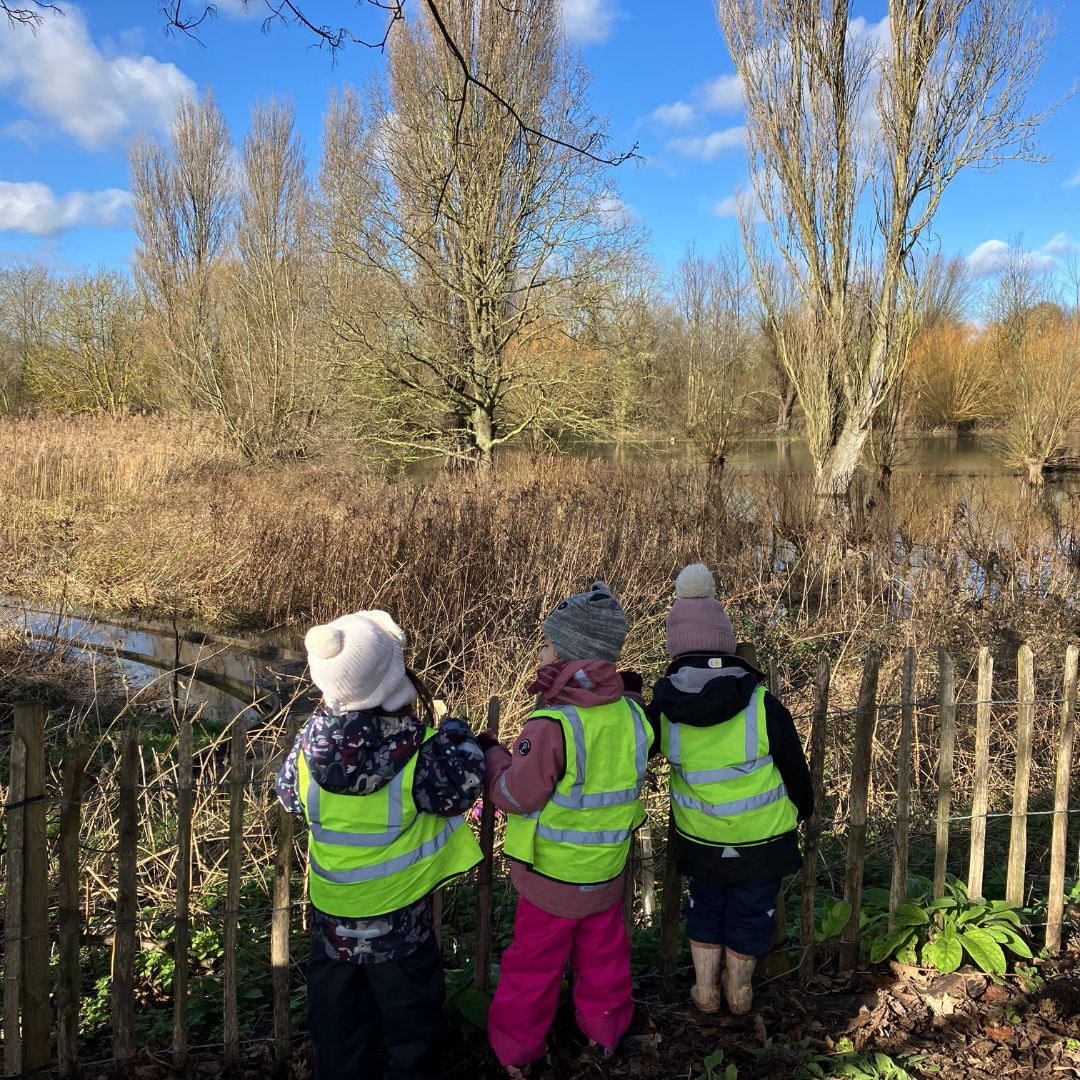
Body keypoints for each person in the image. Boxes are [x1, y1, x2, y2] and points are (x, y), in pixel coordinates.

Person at [276, 610, 484, 1080]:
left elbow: (288, 795)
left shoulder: (307, 747)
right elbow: (465, 786)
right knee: (413, 1030)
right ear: (393, 681)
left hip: (332, 920)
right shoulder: (423, 750)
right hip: (400, 922)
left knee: (338, 1031)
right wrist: (458, 733)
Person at [481, 581, 649, 1078]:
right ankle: (606, 1036)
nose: (539, 650)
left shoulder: (552, 724)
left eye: (547, 643)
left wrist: (493, 759)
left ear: (570, 654)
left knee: (531, 970)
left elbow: (518, 794)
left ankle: (517, 1055)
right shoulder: (635, 715)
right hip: (606, 869)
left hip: (551, 877)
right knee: (605, 960)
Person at [648, 564, 813, 1015]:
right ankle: (739, 993)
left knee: (705, 906)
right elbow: (794, 768)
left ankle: (704, 991)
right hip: (762, 840)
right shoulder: (762, 703)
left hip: (701, 840)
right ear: (727, 641)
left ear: (675, 648)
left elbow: (632, 754)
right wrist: (804, 808)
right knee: (752, 911)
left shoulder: (663, 711)